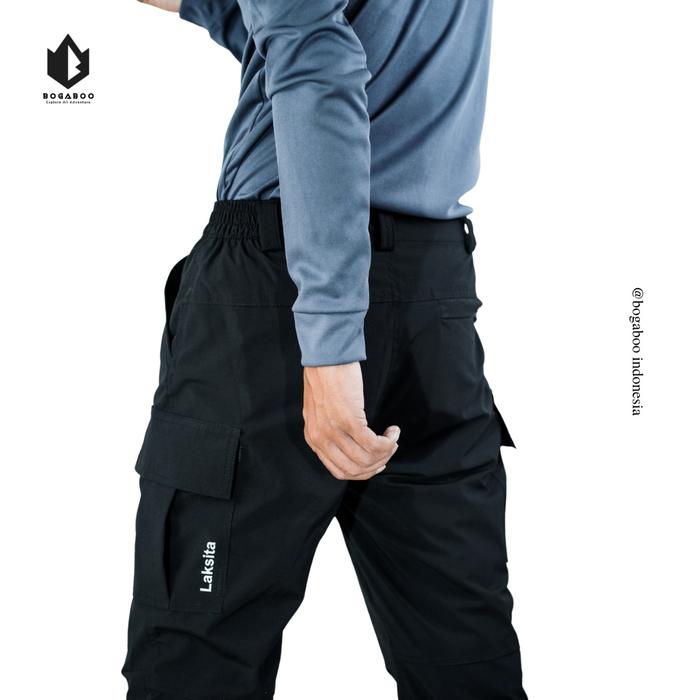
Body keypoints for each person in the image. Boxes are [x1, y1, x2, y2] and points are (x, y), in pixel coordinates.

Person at [123, 1, 527, 698]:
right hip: (431, 296)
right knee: (464, 663)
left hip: (279, 292)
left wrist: (330, 339)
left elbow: (312, 51)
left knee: (195, 665)